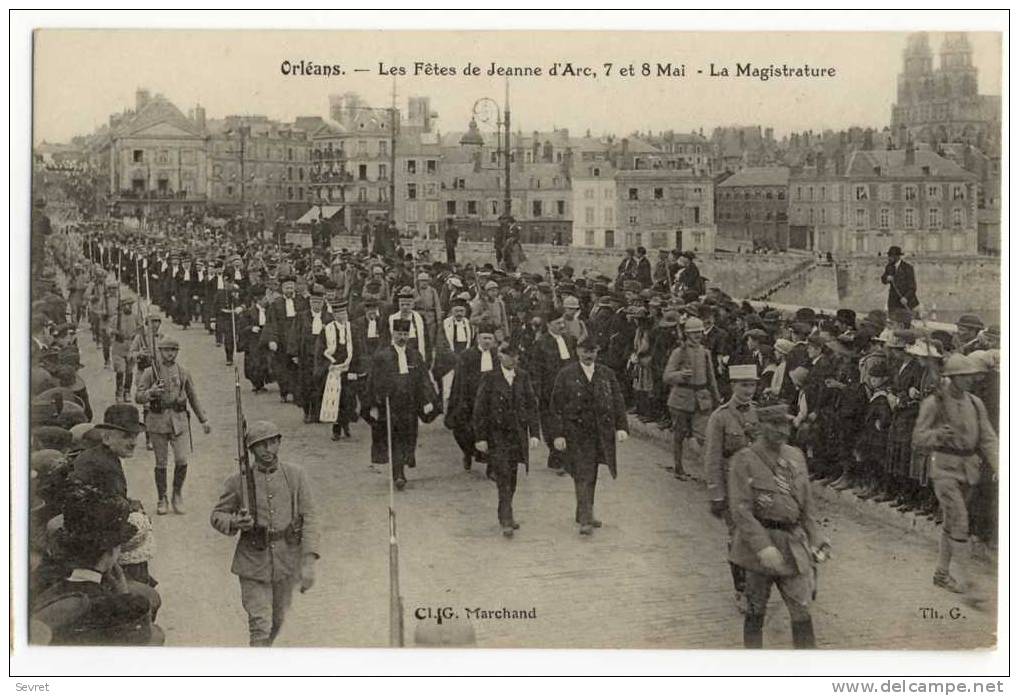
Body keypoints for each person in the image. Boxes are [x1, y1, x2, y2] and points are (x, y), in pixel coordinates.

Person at [728, 400, 827, 649]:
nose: (782, 430)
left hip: (793, 546)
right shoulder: (745, 459)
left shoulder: (795, 456)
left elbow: (806, 505)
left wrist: (816, 539)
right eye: (774, 424)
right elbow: (741, 511)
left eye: (784, 424)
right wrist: (763, 547)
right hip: (759, 549)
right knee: (755, 609)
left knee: (802, 610)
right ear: (761, 425)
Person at [210, 420, 320, 647]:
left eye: (273, 443)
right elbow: (217, 515)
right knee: (260, 623)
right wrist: (235, 522)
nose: (268, 450)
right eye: (261, 445)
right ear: (251, 449)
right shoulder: (238, 481)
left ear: (279, 443)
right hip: (252, 561)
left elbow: (309, 518)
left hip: (286, 560)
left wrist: (308, 561)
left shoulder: (295, 476)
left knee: (278, 621)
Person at [912, 354, 998, 600]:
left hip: (969, 469)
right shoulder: (934, 403)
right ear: (951, 378)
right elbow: (918, 438)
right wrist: (938, 434)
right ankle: (968, 582)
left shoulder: (975, 403)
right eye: (964, 377)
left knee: (952, 523)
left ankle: (941, 573)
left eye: (971, 376)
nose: (970, 380)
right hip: (944, 469)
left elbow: (988, 438)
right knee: (960, 520)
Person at [547, 335, 629, 535]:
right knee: (582, 472)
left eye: (592, 351)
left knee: (591, 473)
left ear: (597, 352)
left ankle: (583, 511)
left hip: (600, 433)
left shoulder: (606, 374)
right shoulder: (566, 374)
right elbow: (556, 407)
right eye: (585, 351)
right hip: (575, 432)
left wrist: (621, 427)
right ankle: (585, 517)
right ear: (577, 351)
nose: (588, 355)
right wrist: (557, 435)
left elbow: (618, 401)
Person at [704, 364, 760, 612]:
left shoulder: (758, 413)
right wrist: (716, 494)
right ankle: (742, 591)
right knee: (739, 539)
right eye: (743, 385)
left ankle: (756, 587)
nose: (749, 390)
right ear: (732, 386)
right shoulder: (721, 417)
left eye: (752, 385)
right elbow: (712, 459)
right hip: (732, 489)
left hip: (758, 488)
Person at [134, 337, 212, 515]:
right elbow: (137, 397)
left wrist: (203, 420)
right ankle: (162, 498)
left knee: (181, 459)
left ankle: (177, 494)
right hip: (157, 420)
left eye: (173, 350)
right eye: (166, 350)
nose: (170, 353)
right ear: (160, 352)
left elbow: (193, 397)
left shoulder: (183, 372)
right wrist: (151, 393)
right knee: (161, 462)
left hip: (179, 421)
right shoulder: (150, 373)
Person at [473, 339, 541, 537]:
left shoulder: (523, 377)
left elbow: (531, 406)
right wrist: (481, 437)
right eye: (507, 355)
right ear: (499, 356)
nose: (512, 359)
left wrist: (534, 433)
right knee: (503, 475)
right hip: (497, 436)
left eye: (515, 355)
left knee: (512, 476)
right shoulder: (490, 378)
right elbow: (480, 409)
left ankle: (506, 511)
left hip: (517, 435)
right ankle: (506, 517)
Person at [364, 318, 438, 490]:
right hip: (390, 405)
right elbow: (373, 382)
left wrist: (428, 400)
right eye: (399, 334)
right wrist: (374, 403)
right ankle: (398, 474)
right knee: (394, 438)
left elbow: (423, 379)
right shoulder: (382, 356)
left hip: (410, 404)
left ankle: (403, 465)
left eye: (405, 334)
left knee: (409, 437)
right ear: (393, 334)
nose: (402, 337)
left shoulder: (415, 355)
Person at [663, 317, 720, 481]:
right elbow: (667, 376)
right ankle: (678, 466)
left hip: (702, 400)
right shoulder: (679, 352)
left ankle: (708, 472)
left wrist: (716, 400)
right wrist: (680, 375)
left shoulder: (705, 353)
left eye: (699, 332)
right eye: (694, 333)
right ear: (687, 334)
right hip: (681, 398)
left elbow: (711, 379)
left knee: (704, 436)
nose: (698, 336)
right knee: (679, 435)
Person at [445, 323, 498, 472]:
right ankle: (468, 452)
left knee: (493, 432)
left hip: (491, 400)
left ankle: (491, 467)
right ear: (478, 339)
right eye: (484, 338)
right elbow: (460, 381)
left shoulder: (496, 356)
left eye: (490, 338)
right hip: (470, 400)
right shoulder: (467, 356)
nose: (487, 341)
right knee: (465, 431)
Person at [530, 310, 577, 474]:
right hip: (549, 390)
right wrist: (538, 390)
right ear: (549, 325)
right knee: (550, 424)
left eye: (562, 322)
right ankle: (556, 453)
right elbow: (536, 370)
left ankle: (563, 456)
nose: (562, 325)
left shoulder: (569, 340)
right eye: (558, 323)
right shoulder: (541, 343)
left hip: (569, 388)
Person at [71, 404, 146, 501]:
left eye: (135, 436)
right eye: (126, 437)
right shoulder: (104, 466)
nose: (134, 443)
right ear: (106, 438)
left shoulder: (102, 456)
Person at [318, 298, 359, 441]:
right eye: (337, 314)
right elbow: (321, 350)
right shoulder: (327, 330)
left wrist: (356, 369)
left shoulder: (353, 329)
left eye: (343, 313)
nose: (341, 316)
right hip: (333, 369)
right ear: (334, 315)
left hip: (349, 368)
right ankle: (336, 428)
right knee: (335, 399)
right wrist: (327, 366)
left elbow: (360, 350)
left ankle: (345, 424)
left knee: (348, 399)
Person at [263, 276, 305, 404]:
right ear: (282, 289)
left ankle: (296, 393)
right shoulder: (276, 304)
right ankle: (284, 392)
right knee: (282, 368)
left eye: (291, 287)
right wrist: (273, 340)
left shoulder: (302, 301)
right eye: (287, 287)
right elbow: (272, 323)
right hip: (282, 339)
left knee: (296, 367)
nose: (289, 289)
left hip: (297, 338)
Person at [880, 246, 919, 314]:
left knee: (905, 321)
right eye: (889, 256)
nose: (889, 258)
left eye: (891, 256)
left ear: (897, 256)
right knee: (893, 321)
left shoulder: (908, 268)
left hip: (905, 301)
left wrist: (906, 298)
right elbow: (883, 279)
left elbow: (912, 287)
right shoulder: (889, 267)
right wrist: (887, 278)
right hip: (893, 302)